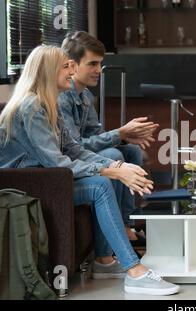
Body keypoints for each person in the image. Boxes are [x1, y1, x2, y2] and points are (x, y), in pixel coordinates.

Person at [0, 45, 179, 295]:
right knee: (101, 185)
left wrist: (116, 165)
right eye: (66, 66)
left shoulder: (48, 104)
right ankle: (134, 271)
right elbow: (58, 164)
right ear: (48, 71)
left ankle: (108, 262)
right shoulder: (31, 108)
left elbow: (73, 149)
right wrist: (110, 171)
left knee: (107, 175)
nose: (72, 70)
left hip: (50, 180)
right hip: (26, 187)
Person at [58, 31, 159, 243]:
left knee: (131, 150)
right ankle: (109, 239)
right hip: (69, 162)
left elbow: (95, 136)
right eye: (92, 64)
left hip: (83, 153)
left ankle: (125, 225)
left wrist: (124, 138)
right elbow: (74, 147)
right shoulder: (62, 98)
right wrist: (119, 134)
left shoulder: (85, 95)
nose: (98, 70)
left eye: (100, 64)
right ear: (73, 65)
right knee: (113, 153)